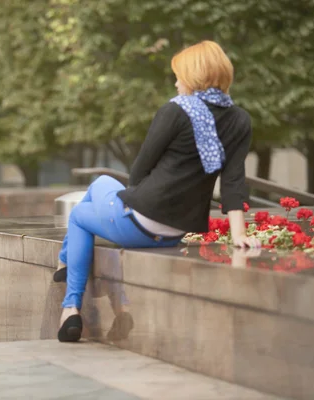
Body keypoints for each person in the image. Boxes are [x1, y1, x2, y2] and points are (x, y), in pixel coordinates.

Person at [55, 41, 260, 343]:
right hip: (175, 231)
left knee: (85, 206)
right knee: (100, 185)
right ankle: (90, 283)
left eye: (179, 75)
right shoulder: (240, 119)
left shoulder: (175, 111)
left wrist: (128, 207)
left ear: (194, 76)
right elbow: (233, 182)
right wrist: (239, 234)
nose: (176, 83)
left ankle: (70, 303)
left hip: (140, 220)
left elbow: (140, 170)